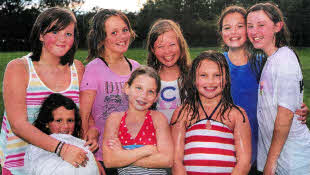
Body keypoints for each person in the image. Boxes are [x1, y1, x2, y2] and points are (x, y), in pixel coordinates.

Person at [217, 5, 310, 173]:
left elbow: (285, 103)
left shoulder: (263, 62)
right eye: (227, 28)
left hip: (264, 149)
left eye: (240, 26)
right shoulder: (214, 64)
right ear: (221, 32)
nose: (234, 32)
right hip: (226, 147)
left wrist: (297, 107)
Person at [0, 7, 89, 174]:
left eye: (68, 34)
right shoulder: (19, 68)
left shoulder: (77, 68)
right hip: (21, 165)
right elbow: (18, 125)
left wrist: (89, 156)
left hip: (64, 166)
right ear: (40, 35)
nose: (62, 39)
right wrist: (62, 149)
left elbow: (84, 118)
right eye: (54, 32)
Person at [247, 2, 310, 174]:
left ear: (277, 26)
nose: (254, 31)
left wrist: (270, 163)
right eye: (250, 26)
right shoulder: (272, 59)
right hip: (282, 160)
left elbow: (285, 117)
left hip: (294, 161)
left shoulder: (285, 60)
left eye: (261, 25)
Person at [79, 9, 140, 174]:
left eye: (125, 30)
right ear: (101, 38)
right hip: (104, 158)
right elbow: (83, 118)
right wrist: (91, 157)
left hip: (134, 154)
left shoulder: (137, 68)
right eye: (114, 32)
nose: (122, 36)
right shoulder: (94, 69)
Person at [171, 50, 252, 175]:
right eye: (203, 75)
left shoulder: (236, 115)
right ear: (194, 79)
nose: (210, 81)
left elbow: (244, 162)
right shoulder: (183, 113)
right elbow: (176, 161)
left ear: (226, 79)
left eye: (217, 75)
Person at [102, 66, 173, 175]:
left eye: (150, 91)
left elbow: (167, 160)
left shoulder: (157, 118)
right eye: (139, 88)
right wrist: (147, 150)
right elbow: (109, 161)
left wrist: (123, 154)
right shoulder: (115, 119)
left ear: (156, 97)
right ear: (127, 88)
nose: (143, 96)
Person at [24, 93, 102, 175]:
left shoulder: (82, 144)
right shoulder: (36, 148)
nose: (65, 126)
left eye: (70, 120)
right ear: (46, 123)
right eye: (59, 121)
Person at [146, 19, 191, 123]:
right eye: (160, 46)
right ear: (153, 50)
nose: (167, 51)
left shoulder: (193, 75)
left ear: (180, 44)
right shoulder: (147, 79)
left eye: (172, 45)